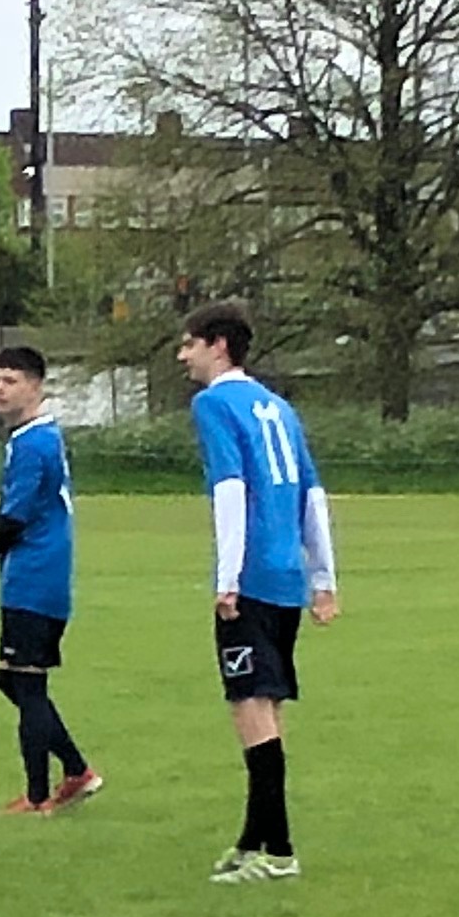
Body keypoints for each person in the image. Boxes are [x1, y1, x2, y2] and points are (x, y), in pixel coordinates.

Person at [177, 305, 339, 883]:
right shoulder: (279, 407)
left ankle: (281, 852)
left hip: (251, 579)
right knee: (264, 706)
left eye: (190, 344)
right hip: (286, 576)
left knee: (250, 708)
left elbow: (229, 488)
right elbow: (312, 495)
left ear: (218, 345)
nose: (183, 356)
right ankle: (254, 841)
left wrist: (227, 578)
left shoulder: (214, 404)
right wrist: (323, 578)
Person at [0, 344, 102, 816]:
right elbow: (17, 506)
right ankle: (76, 771)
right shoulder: (35, 438)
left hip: (36, 578)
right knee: (11, 679)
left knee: (27, 684)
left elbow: (16, 514)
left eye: (10, 381)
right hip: (36, 576)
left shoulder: (34, 442)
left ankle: (39, 797)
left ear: (36, 387)